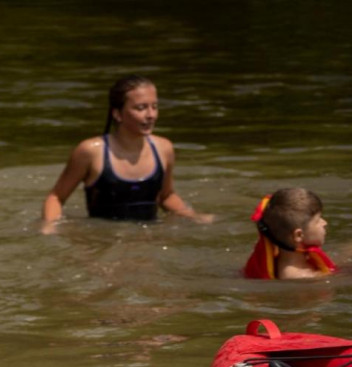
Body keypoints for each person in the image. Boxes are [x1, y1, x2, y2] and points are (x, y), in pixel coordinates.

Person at [41, 75, 214, 233]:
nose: (151, 115)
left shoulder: (164, 148)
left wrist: (192, 215)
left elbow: (166, 196)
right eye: (141, 108)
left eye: (154, 107)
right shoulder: (91, 151)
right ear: (117, 114)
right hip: (102, 241)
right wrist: (50, 226)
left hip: (149, 240)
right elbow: (56, 196)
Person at [244, 188, 338, 279]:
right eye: (318, 220)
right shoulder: (298, 278)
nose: (325, 223)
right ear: (298, 235)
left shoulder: (299, 259)